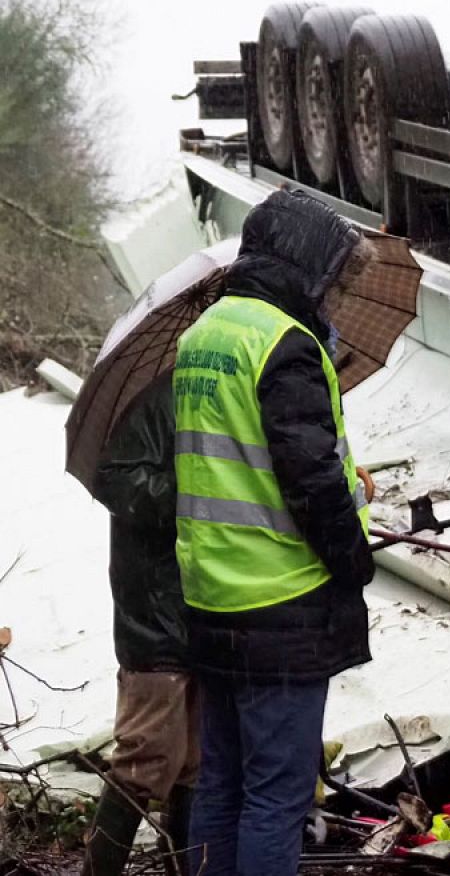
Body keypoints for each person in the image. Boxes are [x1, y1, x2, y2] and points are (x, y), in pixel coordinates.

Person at [174, 190, 375, 876]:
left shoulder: (204, 335)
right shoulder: (283, 344)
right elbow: (312, 482)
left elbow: (241, 459)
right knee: (275, 799)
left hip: (211, 599)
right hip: (281, 606)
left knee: (221, 786)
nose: (335, 295)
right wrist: (355, 559)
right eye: (334, 278)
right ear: (305, 265)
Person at [83, 378, 196, 876]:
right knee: (147, 754)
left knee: (196, 758)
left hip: (203, 612)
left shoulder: (212, 399)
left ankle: (189, 866)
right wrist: (195, 484)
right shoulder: (157, 403)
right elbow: (118, 482)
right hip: (155, 616)